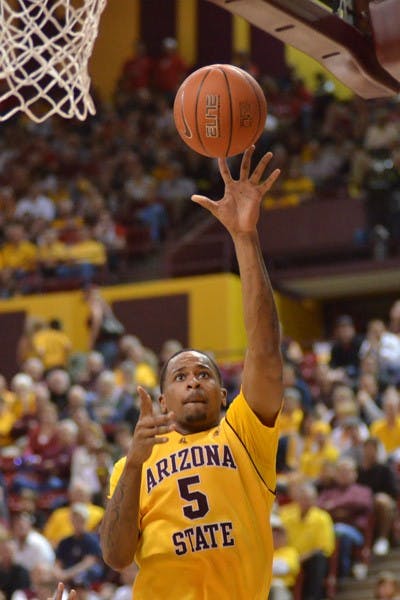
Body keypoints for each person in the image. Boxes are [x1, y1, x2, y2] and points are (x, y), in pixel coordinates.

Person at [100, 147, 283, 598]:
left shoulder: (244, 434)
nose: (193, 382)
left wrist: (245, 237)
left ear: (224, 394)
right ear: (162, 402)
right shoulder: (130, 465)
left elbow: (264, 348)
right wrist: (136, 464)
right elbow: (117, 557)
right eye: (179, 378)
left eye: (203, 374)